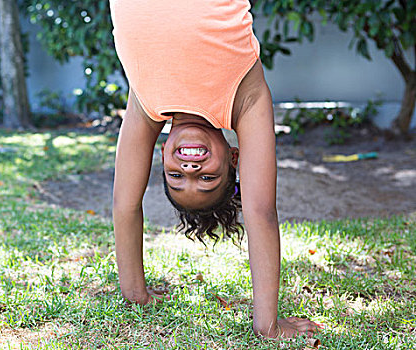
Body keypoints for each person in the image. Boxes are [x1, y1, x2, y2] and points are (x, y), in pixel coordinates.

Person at [110, 0, 321, 338]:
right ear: (234, 158)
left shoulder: (147, 105)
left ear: (161, 153)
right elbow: (260, 210)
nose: (190, 167)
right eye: (207, 177)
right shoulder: (246, 100)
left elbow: (125, 204)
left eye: (176, 176)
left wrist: (136, 295)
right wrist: (267, 326)